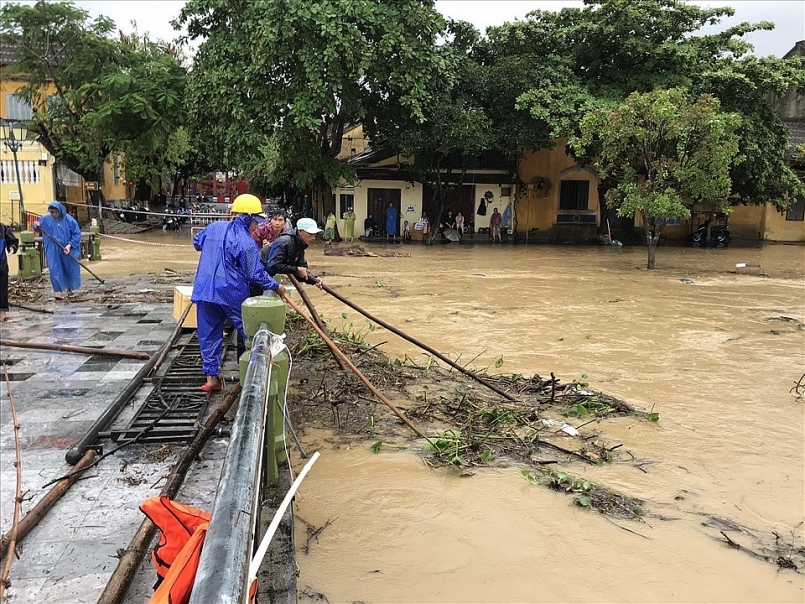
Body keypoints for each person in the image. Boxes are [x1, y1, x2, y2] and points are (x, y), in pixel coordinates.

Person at [191, 194, 285, 392]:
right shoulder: (246, 242)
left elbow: (197, 242)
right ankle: (255, 375)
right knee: (250, 331)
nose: (257, 227)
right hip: (231, 292)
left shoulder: (213, 228)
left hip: (205, 289)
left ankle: (211, 379)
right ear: (248, 217)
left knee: (208, 334)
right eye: (256, 222)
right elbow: (255, 274)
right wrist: (276, 287)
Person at [32, 201, 82, 300]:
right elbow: (37, 228)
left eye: (55, 212)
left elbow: (77, 234)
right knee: (55, 269)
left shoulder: (69, 220)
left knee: (68, 268)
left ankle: (70, 288)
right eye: (52, 212)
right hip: (52, 248)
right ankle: (58, 292)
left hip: (66, 248)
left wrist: (70, 245)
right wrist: (36, 225)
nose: (54, 214)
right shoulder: (45, 219)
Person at [263, 217, 325, 289]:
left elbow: (301, 272)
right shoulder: (284, 242)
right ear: (300, 232)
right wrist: (296, 269)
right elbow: (273, 265)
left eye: (315, 235)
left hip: (266, 277)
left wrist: (315, 279)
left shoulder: (301, 246)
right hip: (258, 275)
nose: (314, 238)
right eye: (310, 234)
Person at [0, 222, 19, 322]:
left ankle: (2, 314)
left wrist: (12, 247)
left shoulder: (2, 228)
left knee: (2, 289)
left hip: (1, 263)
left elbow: (12, 241)